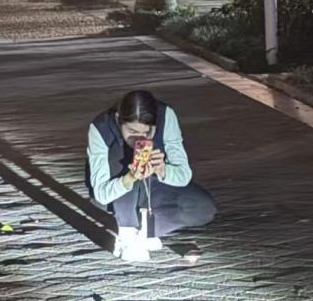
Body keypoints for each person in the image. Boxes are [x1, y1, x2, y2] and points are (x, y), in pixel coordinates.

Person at [86, 90, 216, 262]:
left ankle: (147, 231)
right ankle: (127, 231)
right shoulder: (100, 127)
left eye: (147, 132)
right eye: (132, 131)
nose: (138, 138)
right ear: (118, 120)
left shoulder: (166, 115)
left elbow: (184, 175)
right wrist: (129, 177)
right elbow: (102, 194)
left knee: (202, 209)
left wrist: (163, 170)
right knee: (122, 154)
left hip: (156, 188)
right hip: (118, 191)